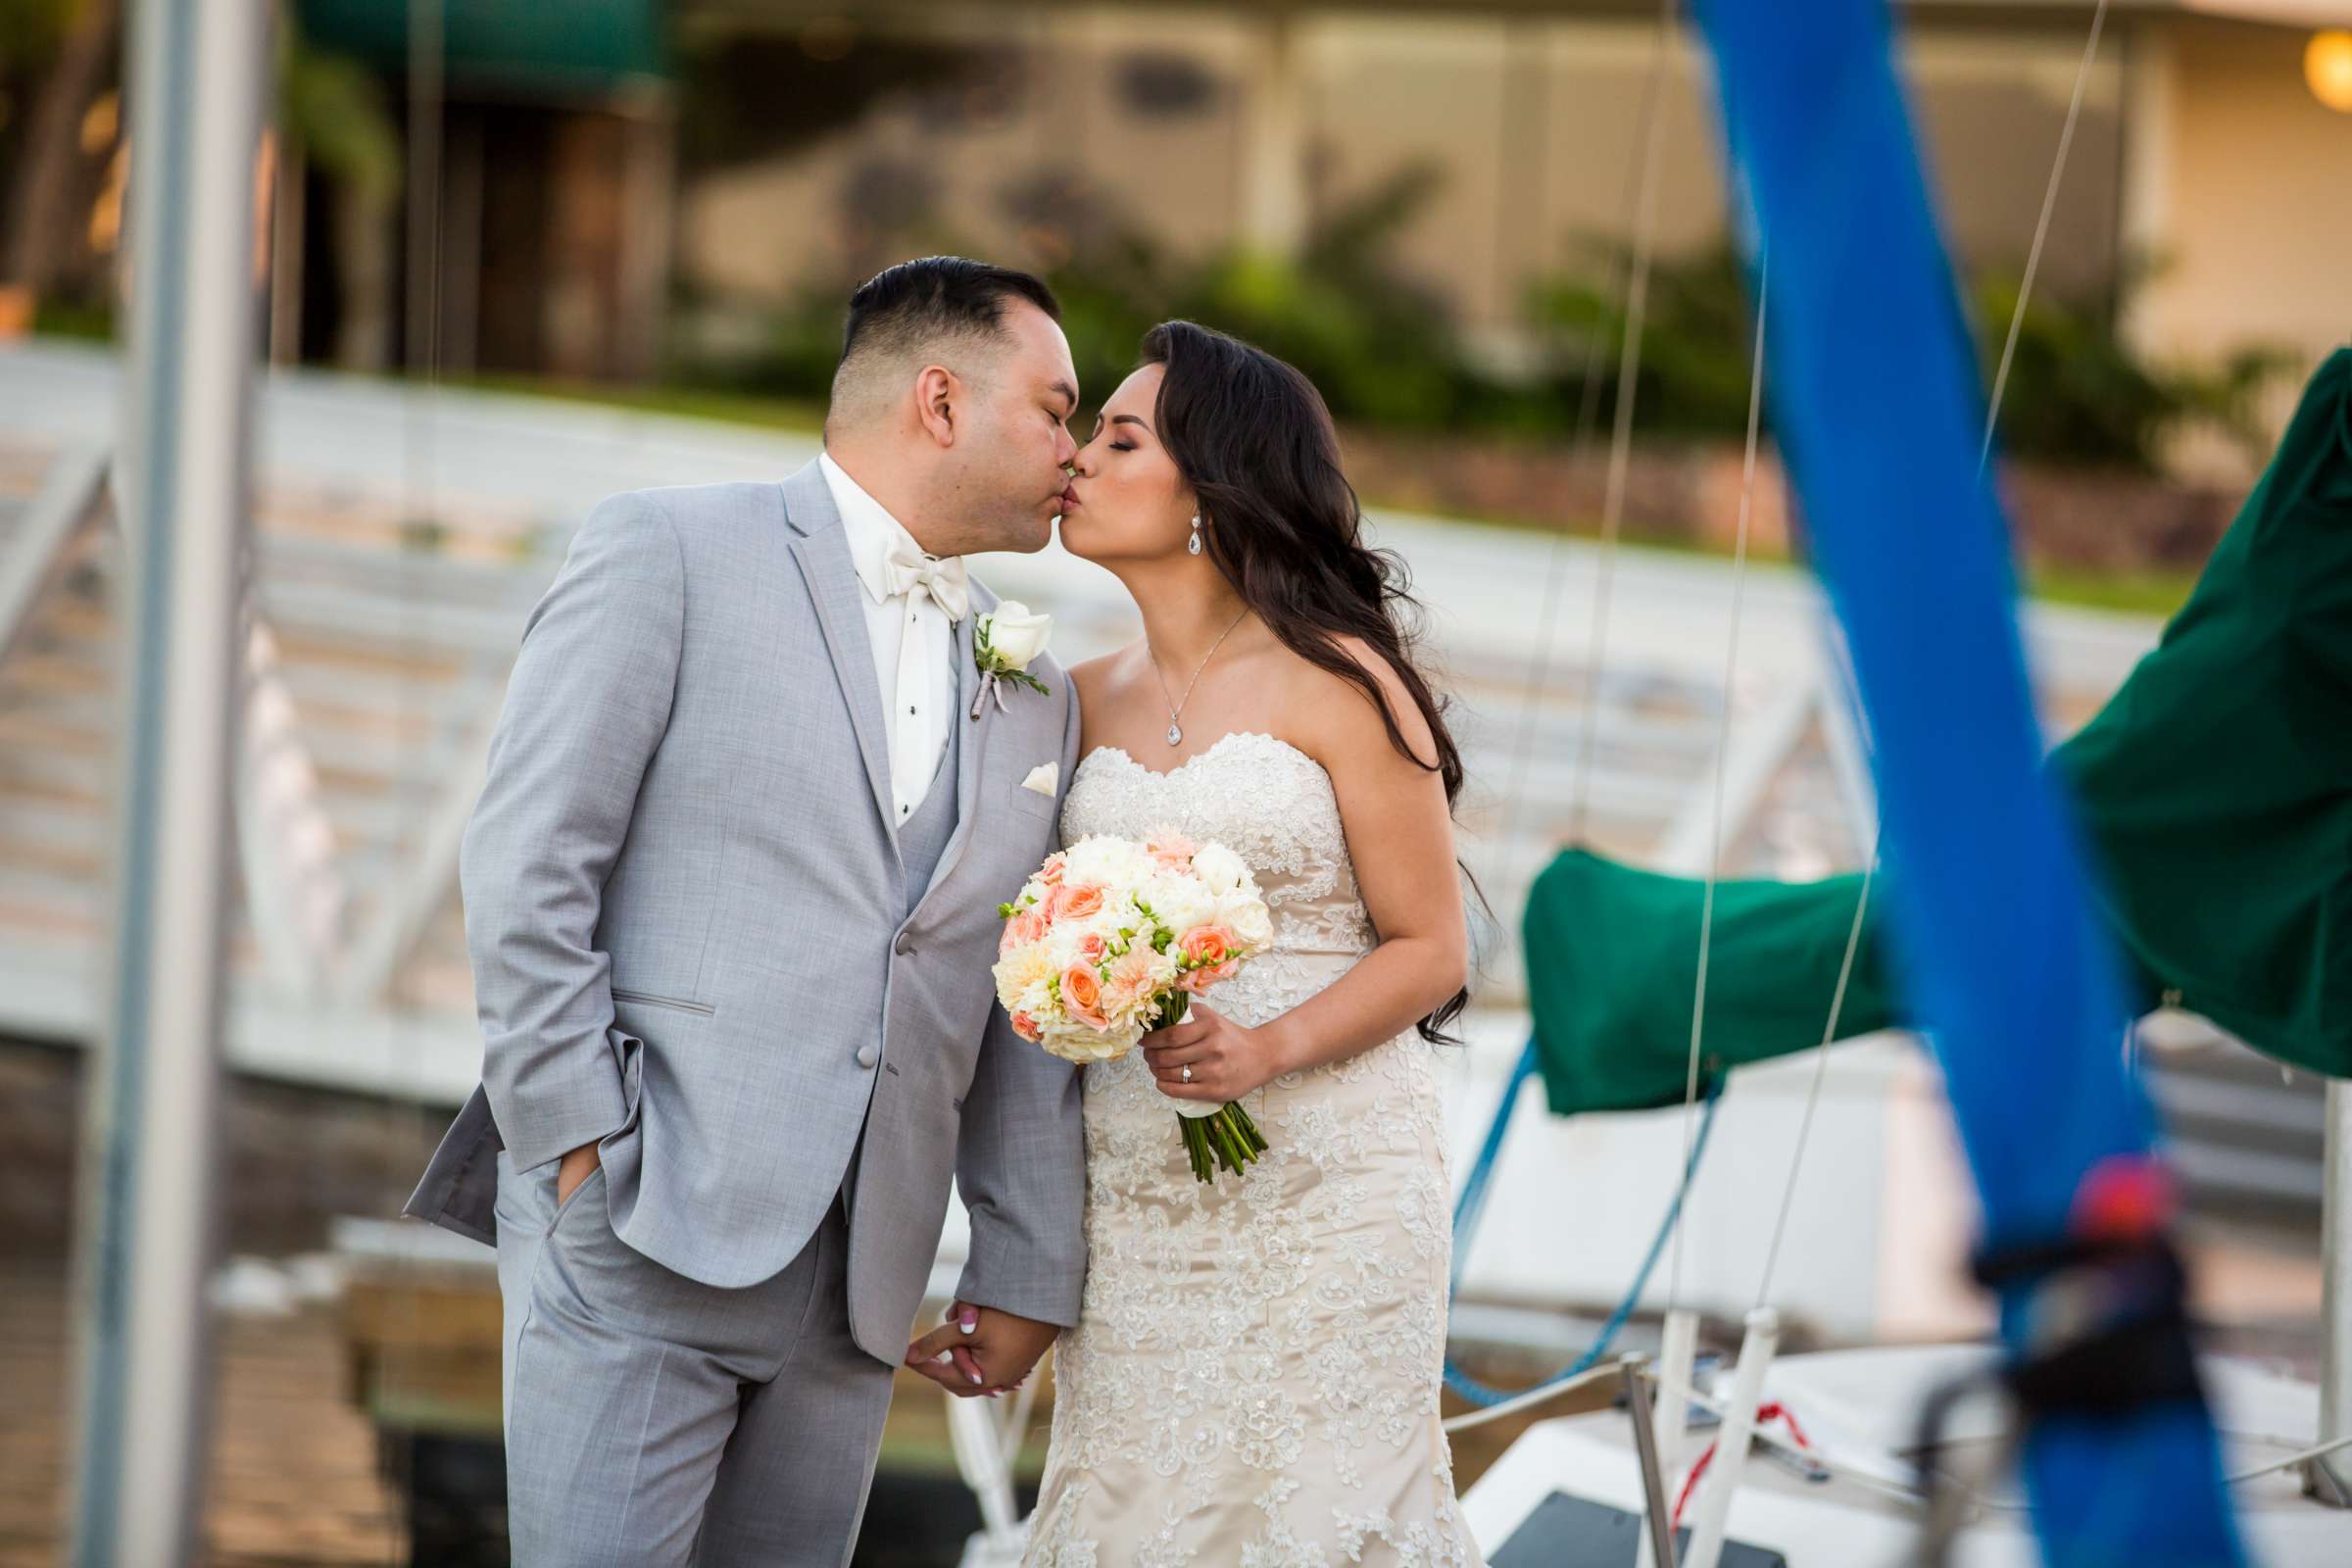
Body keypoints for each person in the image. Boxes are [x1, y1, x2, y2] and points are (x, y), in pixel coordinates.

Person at [403, 257, 1088, 1566]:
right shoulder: (669, 550)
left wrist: (1022, 1262)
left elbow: (1014, 992)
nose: (1073, 447)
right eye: (1055, 409)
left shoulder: (1037, 687)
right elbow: (528, 861)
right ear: (940, 401)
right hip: (642, 1221)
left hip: (857, 1292)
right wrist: (580, 1145)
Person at [968, 318, 1485, 1565]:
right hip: (1142, 1189)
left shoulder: (1344, 680)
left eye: (1120, 435)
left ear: (1213, 487)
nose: (1080, 456)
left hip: (1333, 1188)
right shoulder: (1072, 696)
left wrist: (1268, 1047)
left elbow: (1433, 946)